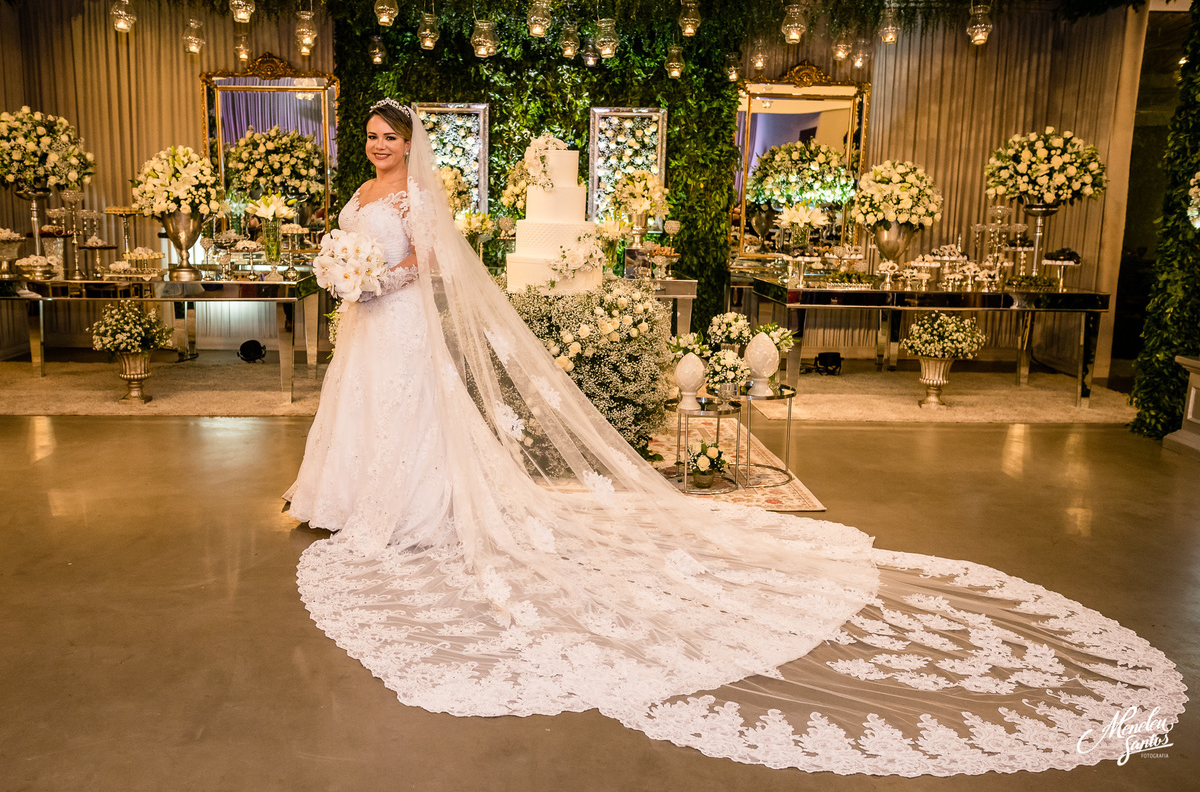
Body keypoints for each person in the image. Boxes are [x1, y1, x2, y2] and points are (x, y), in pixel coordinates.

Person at [285, 99, 1184, 776]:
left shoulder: (415, 200)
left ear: (413, 145)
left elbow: (433, 262)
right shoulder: (365, 191)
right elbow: (353, 251)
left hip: (399, 321)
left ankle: (404, 507)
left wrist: (381, 278)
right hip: (368, 331)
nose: (378, 150)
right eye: (371, 139)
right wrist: (345, 271)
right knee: (360, 412)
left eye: (390, 140)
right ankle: (342, 498)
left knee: (405, 418)